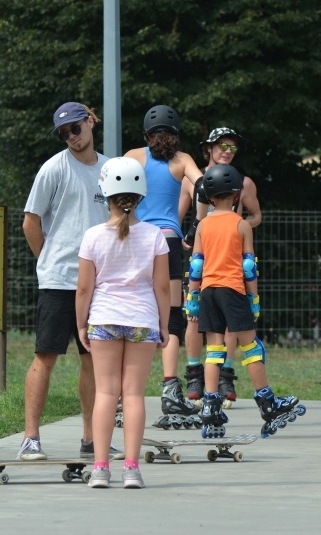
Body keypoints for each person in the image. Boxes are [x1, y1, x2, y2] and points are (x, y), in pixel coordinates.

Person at [20, 102, 123, 461]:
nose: (72, 137)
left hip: (99, 283)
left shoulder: (110, 169)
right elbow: (30, 221)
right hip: (59, 280)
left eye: (75, 128)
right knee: (45, 356)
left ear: (90, 121)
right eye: (64, 134)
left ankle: (91, 439)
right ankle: (30, 438)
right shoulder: (54, 168)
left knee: (93, 360)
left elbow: (119, 219)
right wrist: (47, 260)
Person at [186, 164, 305, 439]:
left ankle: (210, 406)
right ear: (236, 195)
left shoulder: (202, 225)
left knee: (214, 350)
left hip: (208, 292)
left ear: (209, 198)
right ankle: (268, 404)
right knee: (251, 347)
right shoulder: (241, 224)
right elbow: (249, 267)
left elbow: (196, 265)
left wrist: (192, 299)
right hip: (233, 290)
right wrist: (253, 299)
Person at [76, 157, 170, 489]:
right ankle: (132, 469)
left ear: (105, 193)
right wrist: (164, 325)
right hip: (143, 320)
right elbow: (162, 287)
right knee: (133, 395)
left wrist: (81, 324)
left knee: (105, 393)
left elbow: (84, 288)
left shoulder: (92, 236)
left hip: (104, 319)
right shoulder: (155, 236)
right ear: (141, 194)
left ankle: (100, 469)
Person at [124, 105, 204, 430]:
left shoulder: (133, 156)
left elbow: (112, 188)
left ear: (146, 135)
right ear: (176, 134)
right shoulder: (182, 160)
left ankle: (123, 394)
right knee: (170, 318)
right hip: (168, 241)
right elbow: (204, 185)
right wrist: (196, 225)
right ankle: (171, 391)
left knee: (132, 312)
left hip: (138, 239)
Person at [179, 127, 262, 408]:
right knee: (193, 316)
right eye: (222, 146)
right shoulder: (193, 177)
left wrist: (235, 228)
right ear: (209, 149)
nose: (227, 151)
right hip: (202, 253)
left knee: (229, 321)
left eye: (232, 147)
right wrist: (183, 237)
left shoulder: (243, 182)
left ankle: (225, 376)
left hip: (229, 257)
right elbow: (179, 216)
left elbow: (257, 215)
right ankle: (194, 375)